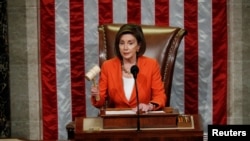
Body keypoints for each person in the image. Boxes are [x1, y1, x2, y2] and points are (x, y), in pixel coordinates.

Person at [91, 23, 166, 113]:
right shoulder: (108, 66)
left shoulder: (151, 65)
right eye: (122, 43)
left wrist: (149, 106)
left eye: (130, 43)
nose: (125, 48)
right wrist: (96, 95)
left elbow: (160, 96)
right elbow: (100, 102)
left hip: (143, 117)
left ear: (138, 46)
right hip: (118, 121)